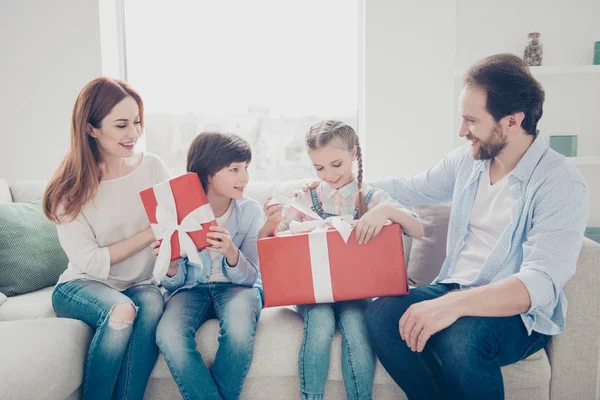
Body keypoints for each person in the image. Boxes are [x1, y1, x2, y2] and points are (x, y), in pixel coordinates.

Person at [365, 53, 590, 400]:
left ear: (512, 121)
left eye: (471, 120)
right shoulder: (467, 163)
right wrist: (342, 189)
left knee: (462, 339)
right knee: (381, 314)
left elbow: (541, 283)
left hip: (519, 314)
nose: (461, 132)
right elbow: (409, 188)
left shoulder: (560, 183)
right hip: (454, 287)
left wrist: (452, 306)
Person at [262, 120, 423, 400]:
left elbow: (418, 229)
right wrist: (272, 221)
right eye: (319, 168)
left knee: (355, 326)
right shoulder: (304, 196)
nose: (329, 175)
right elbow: (277, 244)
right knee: (321, 322)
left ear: (353, 155)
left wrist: (386, 211)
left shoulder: (372, 197)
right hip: (312, 289)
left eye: (336, 164)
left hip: (357, 289)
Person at [43, 77, 169, 400]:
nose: (134, 133)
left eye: (137, 122)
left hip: (141, 284)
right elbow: (92, 262)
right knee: (121, 310)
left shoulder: (152, 167)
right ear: (91, 129)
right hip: (83, 284)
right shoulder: (69, 190)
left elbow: (172, 226)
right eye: (122, 125)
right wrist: (149, 234)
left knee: (152, 304)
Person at [154, 132, 266, 400]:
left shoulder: (250, 211)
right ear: (207, 173)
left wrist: (231, 253)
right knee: (168, 335)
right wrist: (169, 264)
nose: (245, 178)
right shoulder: (175, 212)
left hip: (237, 289)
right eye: (234, 170)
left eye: (246, 168)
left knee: (239, 333)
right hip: (191, 290)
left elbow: (253, 277)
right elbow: (173, 282)